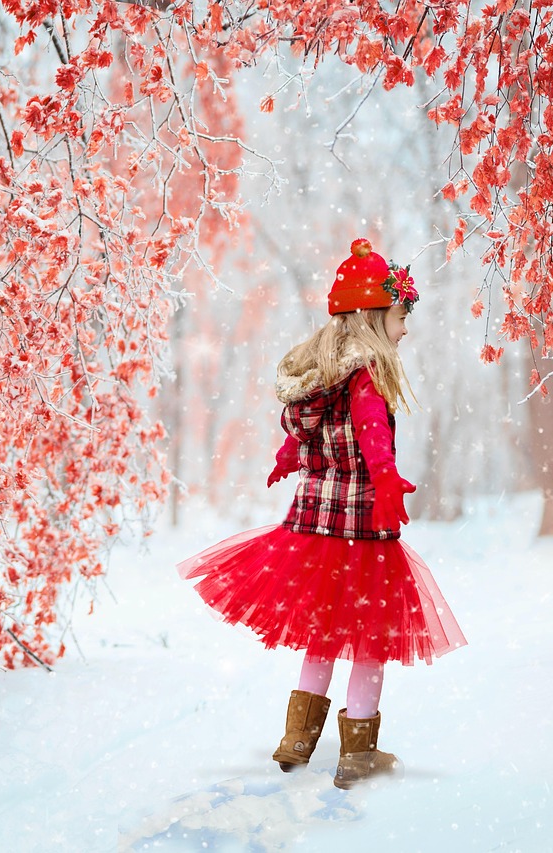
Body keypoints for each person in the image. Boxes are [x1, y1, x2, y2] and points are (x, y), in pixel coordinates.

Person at [177, 237, 466, 789]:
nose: (405, 330)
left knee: (322, 633)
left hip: (314, 523)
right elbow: (371, 432)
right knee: (370, 639)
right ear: (373, 318)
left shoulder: (322, 377)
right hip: (360, 524)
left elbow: (309, 428)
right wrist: (386, 480)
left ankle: (296, 741)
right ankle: (357, 754)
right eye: (401, 317)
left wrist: (289, 457)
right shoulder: (365, 378)